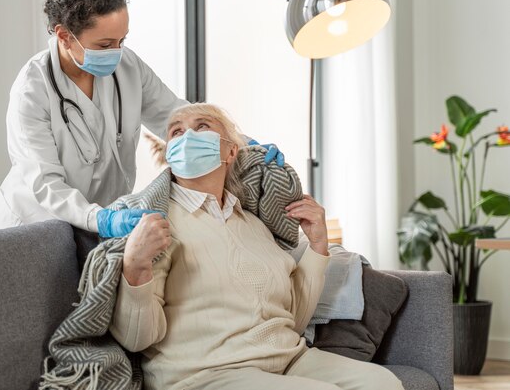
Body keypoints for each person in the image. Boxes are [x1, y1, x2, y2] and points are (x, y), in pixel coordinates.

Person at [108, 103, 404, 390]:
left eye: (202, 127)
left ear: (231, 150)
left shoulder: (254, 224)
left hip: (287, 359)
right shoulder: (154, 223)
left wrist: (317, 245)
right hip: (204, 374)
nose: (186, 137)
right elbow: (137, 339)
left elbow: (294, 319)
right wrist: (135, 266)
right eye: (175, 132)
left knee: (384, 383)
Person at [0, 0, 283, 238]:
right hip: (34, 225)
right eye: (105, 45)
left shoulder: (126, 67)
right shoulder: (33, 90)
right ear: (65, 36)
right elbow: (46, 183)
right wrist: (100, 219)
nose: (116, 53)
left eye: (122, 40)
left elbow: (176, 117)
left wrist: (240, 144)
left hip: (100, 221)